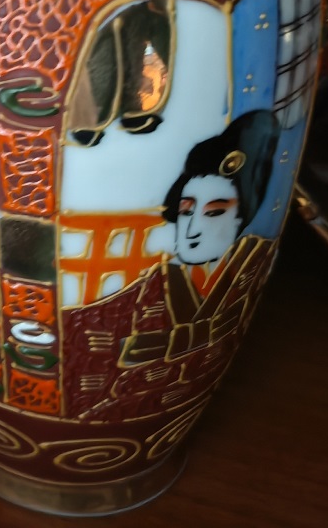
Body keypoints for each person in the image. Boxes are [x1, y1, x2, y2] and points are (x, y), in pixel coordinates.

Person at [119, 109, 282, 364]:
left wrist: (160, 344)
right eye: (186, 212)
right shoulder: (154, 285)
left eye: (214, 213)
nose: (192, 230)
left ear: (241, 217)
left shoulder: (253, 262)